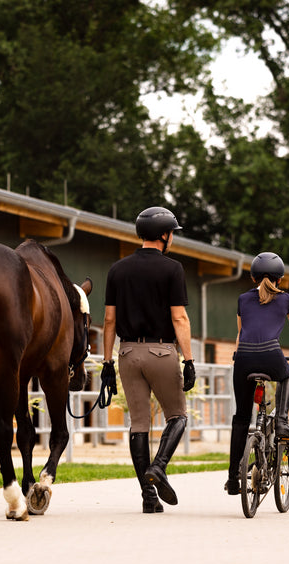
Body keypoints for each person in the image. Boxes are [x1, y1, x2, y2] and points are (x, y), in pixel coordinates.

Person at [102, 206, 196, 513]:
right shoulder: (172, 269)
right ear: (165, 235)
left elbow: (109, 321)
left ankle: (148, 497)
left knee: (138, 425)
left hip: (127, 353)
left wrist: (106, 363)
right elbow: (179, 318)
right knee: (178, 415)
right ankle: (159, 466)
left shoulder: (117, 269)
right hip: (161, 351)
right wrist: (189, 360)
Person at [225, 251, 289, 495]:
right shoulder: (286, 299)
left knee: (240, 418)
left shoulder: (242, 299)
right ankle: (281, 423)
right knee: (288, 375)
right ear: (280, 278)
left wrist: (238, 356)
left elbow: (241, 333)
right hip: (271, 355)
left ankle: (234, 479)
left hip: (244, 359)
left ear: (254, 277)